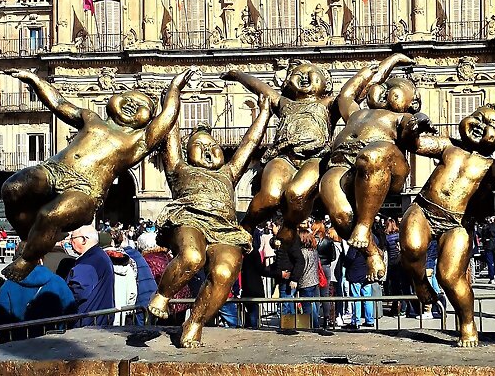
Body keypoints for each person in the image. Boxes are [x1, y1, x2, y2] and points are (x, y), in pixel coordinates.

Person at [1, 68, 194, 282]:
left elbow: (167, 118)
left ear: (149, 119)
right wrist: (36, 81)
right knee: (13, 188)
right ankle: (29, 235)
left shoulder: (139, 140)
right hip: (54, 171)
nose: (132, 104)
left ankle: (28, 259)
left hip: (85, 190)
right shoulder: (90, 118)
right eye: (127, 97)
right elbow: (58, 102)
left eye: (142, 107)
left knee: (52, 214)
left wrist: (174, 89)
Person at [400, 103, 495, 346]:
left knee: (450, 276)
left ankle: (467, 322)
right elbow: (416, 144)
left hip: (457, 223)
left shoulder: (490, 166)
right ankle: (420, 284)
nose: (482, 125)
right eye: (479, 117)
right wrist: (413, 125)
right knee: (411, 246)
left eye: (492, 126)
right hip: (424, 208)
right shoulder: (448, 146)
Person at [147, 92, 270, 347]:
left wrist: (264, 113)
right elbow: (170, 128)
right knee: (192, 256)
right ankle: (162, 294)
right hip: (189, 218)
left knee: (224, 273)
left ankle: (195, 321)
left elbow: (249, 143)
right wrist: (172, 94)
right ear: (186, 151)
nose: (208, 149)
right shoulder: (178, 167)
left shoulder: (230, 171)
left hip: (225, 230)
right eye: (199, 145)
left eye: (212, 145)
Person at [223, 60, 386, 245]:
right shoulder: (284, 103)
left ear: (326, 83)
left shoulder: (329, 104)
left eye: (311, 73)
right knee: (269, 195)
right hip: (283, 157)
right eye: (298, 73)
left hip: (315, 158)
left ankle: (289, 226)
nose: (304, 76)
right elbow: (261, 87)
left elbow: (356, 91)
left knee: (296, 193)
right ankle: (246, 226)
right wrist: (238, 75)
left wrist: (368, 73)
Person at [319, 53, 426, 281]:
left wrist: (418, 123)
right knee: (339, 212)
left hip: (385, 162)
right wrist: (387, 62)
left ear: (410, 102)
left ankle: (364, 224)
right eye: (383, 87)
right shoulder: (357, 113)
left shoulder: (401, 117)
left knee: (372, 155)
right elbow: (346, 94)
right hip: (343, 162)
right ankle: (371, 253)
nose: (383, 90)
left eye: (393, 90)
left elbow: (411, 128)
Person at [65, 225, 115, 326]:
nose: (70, 242)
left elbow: (78, 291)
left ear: (83, 240)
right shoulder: (99, 255)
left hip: (87, 323)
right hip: (99, 321)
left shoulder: (90, 261)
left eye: (72, 238)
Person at [343, 238, 374, 329]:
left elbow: (350, 258)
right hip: (366, 274)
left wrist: (345, 262)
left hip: (355, 274)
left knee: (356, 298)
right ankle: (370, 320)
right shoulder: (369, 244)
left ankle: (356, 321)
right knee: (368, 298)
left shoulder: (355, 246)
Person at [297, 231, 321, 328]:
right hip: (314, 280)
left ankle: (313, 325)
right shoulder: (314, 251)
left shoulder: (302, 253)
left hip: (305, 282)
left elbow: (301, 268)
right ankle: (316, 324)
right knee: (314, 305)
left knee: (308, 307)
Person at [480, 217, 495, 284]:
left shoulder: (486, 227)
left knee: (490, 262)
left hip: (488, 246)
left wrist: (485, 241)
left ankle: (492, 278)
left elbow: (483, 237)